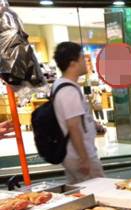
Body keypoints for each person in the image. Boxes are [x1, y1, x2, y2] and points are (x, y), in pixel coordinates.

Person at [53, 42, 104, 184]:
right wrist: (84, 159)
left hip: (72, 154)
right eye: (82, 58)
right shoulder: (69, 91)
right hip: (79, 154)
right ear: (72, 63)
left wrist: (91, 123)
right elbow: (73, 126)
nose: (85, 61)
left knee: (79, 193)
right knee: (99, 192)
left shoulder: (61, 85)